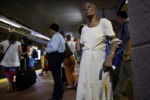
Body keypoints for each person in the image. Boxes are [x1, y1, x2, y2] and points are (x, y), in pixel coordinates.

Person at [76, 2, 118, 100]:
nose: (86, 9)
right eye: (84, 8)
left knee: (101, 85)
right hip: (86, 61)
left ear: (95, 9)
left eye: (89, 7)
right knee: (86, 85)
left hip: (100, 60)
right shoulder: (84, 29)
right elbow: (82, 47)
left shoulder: (104, 22)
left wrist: (110, 57)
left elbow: (114, 40)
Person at [114, 11, 133, 100]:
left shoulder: (127, 25)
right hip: (125, 56)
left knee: (133, 76)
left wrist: (127, 54)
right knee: (123, 76)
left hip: (128, 56)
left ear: (120, 17)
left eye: (117, 18)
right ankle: (116, 94)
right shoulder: (124, 26)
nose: (117, 20)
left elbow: (130, 39)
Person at [46, 24, 65, 100]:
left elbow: (54, 48)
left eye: (50, 30)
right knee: (58, 77)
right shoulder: (59, 36)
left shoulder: (56, 37)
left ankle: (56, 96)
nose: (49, 31)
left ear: (52, 30)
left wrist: (46, 49)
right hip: (58, 57)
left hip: (55, 57)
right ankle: (59, 93)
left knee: (56, 78)